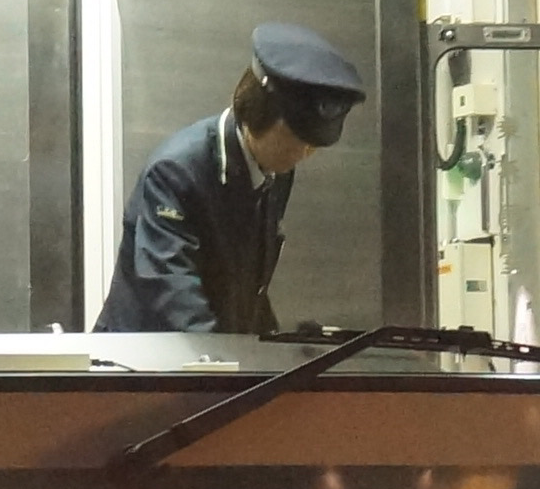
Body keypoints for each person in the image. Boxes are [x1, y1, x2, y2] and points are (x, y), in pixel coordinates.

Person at [96, 21, 365, 336]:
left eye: (313, 145)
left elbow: (250, 285)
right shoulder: (175, 172)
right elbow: (173, 294)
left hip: (216, 352)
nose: (305, 153)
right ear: (258, 113)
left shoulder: (276, 170)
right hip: (145, 357)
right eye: (296, 139)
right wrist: (230, 361)